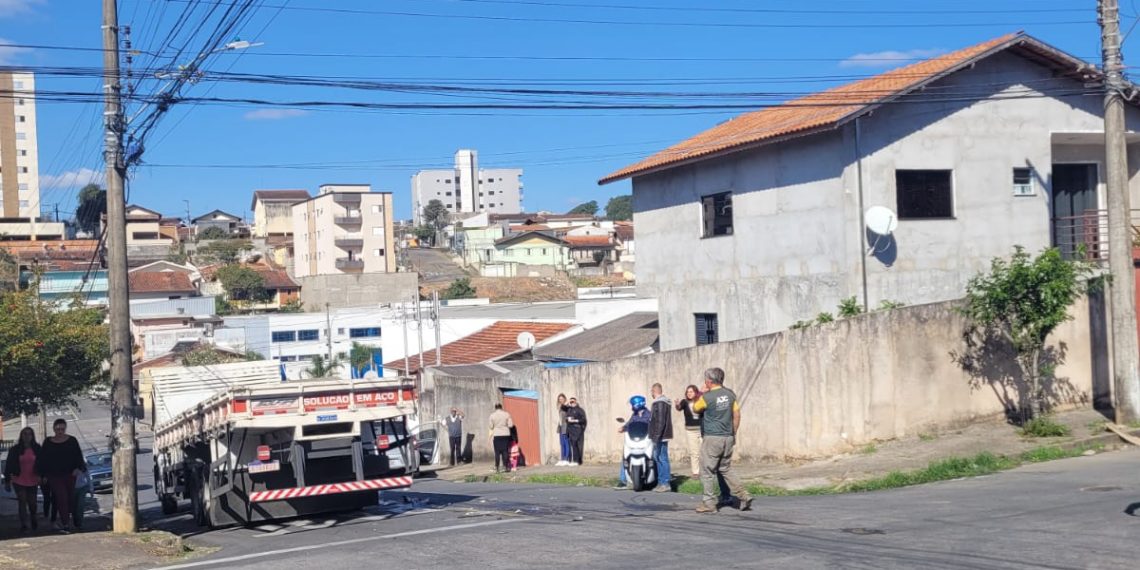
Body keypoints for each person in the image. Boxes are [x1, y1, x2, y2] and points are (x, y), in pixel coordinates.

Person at [692, 368, 752, 513]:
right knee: (725, 468)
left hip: (712, 437)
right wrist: (733, 433)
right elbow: (737, 415)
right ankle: (744, 495)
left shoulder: (707, 397)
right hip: (728, 436)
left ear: (709, 381)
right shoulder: (730, 395)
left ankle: (709, 503)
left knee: (707, 470)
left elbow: (695, 408)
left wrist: (703, 393)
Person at [36, 418, 87, 532]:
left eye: (62, 429)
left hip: (70, 474)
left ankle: (72, 520)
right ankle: (65, 524)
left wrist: (79, 468)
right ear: (54, 429)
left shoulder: (72, 440)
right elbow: (43, 460)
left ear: (65, 429)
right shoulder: (48, 442)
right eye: (58, 429)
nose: (60, 431)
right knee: (61, 498)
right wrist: (42, 475)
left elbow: (78, 455)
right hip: (54, 476)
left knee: (70, 499)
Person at [3, 427, 42, 533]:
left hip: (33, 479)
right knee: (22, 501)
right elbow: (9, 465)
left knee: (32, 503)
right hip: (18, 479)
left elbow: (42, 464)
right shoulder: (15, 450)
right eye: (24, 434)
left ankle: (33, 517)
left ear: (32, 436)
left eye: (29, 434)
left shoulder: (37, 448)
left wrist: (41, 476)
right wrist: (7, 481)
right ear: (21, 435)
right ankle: (24, 524)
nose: (27, 436)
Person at [614, 395, 651, 490]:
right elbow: (629, 424)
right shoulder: (634, 415)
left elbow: (652, 424)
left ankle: (657, 478)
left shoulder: (649, 414)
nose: (632, 406)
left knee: (654, 456)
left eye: (633, 404)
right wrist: (623, 427)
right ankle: (623, 480)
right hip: (634, 440)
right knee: (625, 456)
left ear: (638, 404)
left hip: (645, 440)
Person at [648, 383, 673, 493]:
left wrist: (656, 437)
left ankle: (665, 483)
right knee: (658, 458)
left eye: (651, 392)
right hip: (660, 435)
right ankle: (661, 482)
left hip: (660, 436)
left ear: (654, 391)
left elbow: (660, 422)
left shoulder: (660, 402)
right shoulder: (662, 402)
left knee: (662, 458)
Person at [675, 384, 704, 478]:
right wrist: (677, 404)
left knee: (704, 451)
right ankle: (696, 472)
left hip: (702, 429)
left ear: (695, 392)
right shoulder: (685, 402)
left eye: (691, 391)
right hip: (690, 430)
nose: (689, 393)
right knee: (694, 452)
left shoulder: (700, 401)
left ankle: (707, 470)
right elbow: (679, 408)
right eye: (688, 392)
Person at [488, 403, 514, 473]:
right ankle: (505, 467)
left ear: (495, 408)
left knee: (497, 452)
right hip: (506, 434)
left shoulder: (492, 415)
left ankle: (497, 467)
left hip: (497, 435)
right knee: (505, 451)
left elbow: (491, 426)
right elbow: (511, 425)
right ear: (501, 407)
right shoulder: (507, 414)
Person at [564, 397, 587, 466]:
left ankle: (578, 461)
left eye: (573, 402)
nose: (572, 403)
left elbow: (584, 420)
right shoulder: (569, 410)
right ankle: (575, 461)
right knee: (573, 445)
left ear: (576, 402)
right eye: (571, 402)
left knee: (579, 446)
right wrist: (567, 419)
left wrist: (575, 420)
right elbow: (563, 408)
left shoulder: (580, 410)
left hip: (578, 429)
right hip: (571, 430)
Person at [556, 394, 572, 466]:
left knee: (566, 443)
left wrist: (567, 403)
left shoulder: (567, 407)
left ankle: (566, 459)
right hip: (561, 427)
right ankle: (562, 459)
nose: (560, 400)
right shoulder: (560, 407)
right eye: (559, 399)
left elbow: (566, 408)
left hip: (566, 427)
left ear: (564, 399)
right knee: (562, 444)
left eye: (562, 399)